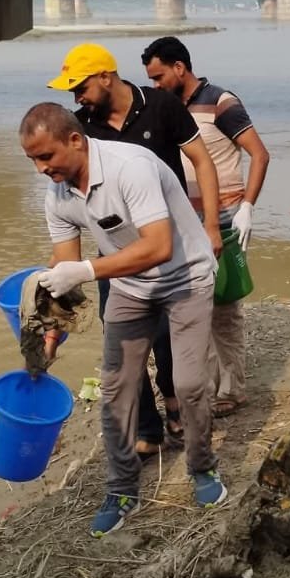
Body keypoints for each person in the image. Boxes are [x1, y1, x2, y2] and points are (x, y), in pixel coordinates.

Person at [18, 102, 227, 536]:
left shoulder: (130, 167)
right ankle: (122, 488)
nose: (41, 169)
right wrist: (52, 333)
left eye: (46, 157)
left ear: (74, 140)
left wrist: (89, 271)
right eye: (32, 160)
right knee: (115, 389)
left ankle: (202, 467)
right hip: (132, 288)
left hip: (185, 276)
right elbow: (64, 268)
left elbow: (158, 247)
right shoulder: (57, 195)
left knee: (188, 384)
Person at [50, 43, 224, 455]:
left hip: (170, 246)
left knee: (169, 340)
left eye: (80, 87)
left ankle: (177, 408)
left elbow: (201, 160)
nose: (76, 98)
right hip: (117, 255)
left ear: (106, 77)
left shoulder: (162, 105)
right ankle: (148, 430)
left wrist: (212, 225)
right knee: (122, 345)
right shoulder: (81, 129)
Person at [142, 36, 270, 416]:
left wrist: (248, 205)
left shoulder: (220, 102)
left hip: (225, 217)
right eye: (150, 80)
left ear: (179, 68)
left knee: (224, 308)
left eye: (159, 76)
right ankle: (205, 387)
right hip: (182, 219)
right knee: (191, 306)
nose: (155, 85)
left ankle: (232, 389)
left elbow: (259, 154)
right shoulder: (166, 109)